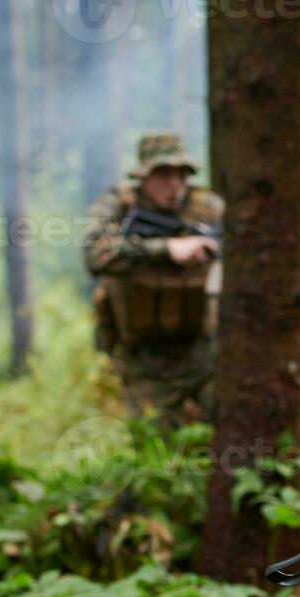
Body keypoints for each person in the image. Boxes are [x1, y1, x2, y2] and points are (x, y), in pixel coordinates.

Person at [82, 132, 224, 428]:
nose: (175, 185)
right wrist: (164, 249)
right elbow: (94, 254)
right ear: (143, 176)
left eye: (182, 175)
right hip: (144, 358)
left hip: (203, 352)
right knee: (152, 450)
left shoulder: (207, 207)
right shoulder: (119, 205)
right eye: (163, 174)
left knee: (227, 438)